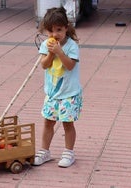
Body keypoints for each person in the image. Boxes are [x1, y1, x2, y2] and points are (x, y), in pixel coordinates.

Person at [34, 7, 83, 168]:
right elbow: (44, 65)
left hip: (69, 94)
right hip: (52, 93)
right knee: (48, 122)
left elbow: (69, 66)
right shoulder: (46, 45)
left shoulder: (72, 46)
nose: (55, 35)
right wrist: (50, 53)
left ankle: (69, 152)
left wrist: (60, 52)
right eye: (51, 31)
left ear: (66, 28)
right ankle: (44, 151)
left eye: (59, 30)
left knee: (67, 123)